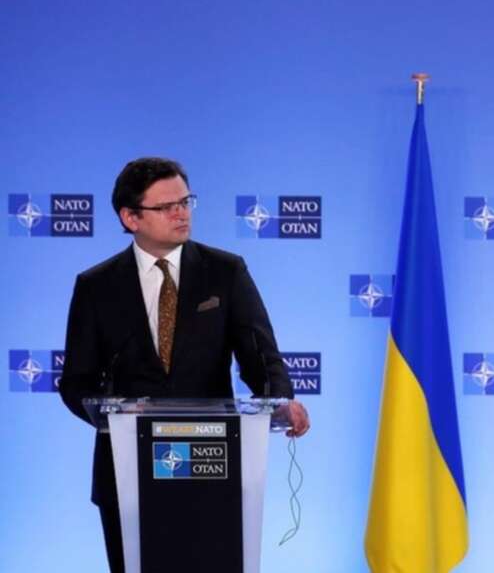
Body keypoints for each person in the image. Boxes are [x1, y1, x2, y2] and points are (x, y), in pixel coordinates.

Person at [59, 157, 311, 573]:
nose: (182, 213)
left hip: (214, 462)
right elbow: (76, 382)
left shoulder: (225, 272)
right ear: (130, 216)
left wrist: (280, 401)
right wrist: (120, 415)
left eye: (186, 201)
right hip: (128, 473)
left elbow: (260, 354)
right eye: (167, 206)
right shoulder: (96, 286)